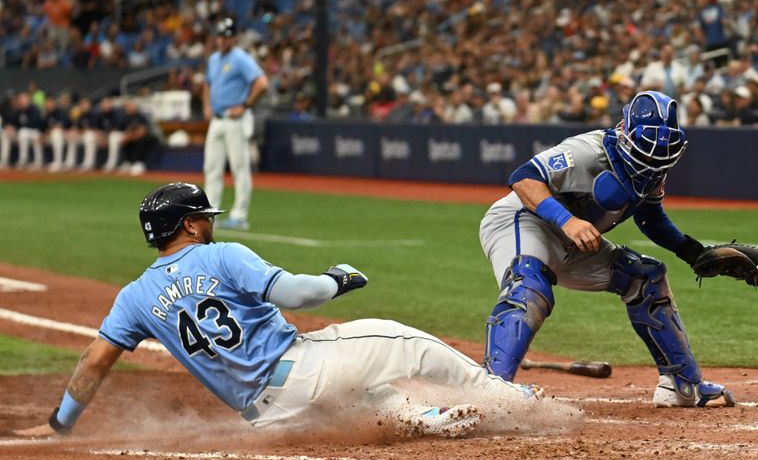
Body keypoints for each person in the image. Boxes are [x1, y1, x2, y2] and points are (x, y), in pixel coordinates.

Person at [15, 183, 542, 439]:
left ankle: (427, 420)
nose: (210, 223)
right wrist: (338, 279)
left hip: (265, 420)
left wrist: (61, 424)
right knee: (405, 343)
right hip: (302, 373)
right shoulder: (221, 254)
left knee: (369, 395)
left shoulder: (133, 295)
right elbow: (298, 295)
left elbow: (93, 361)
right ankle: (510, 396)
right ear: (190, 226)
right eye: (203, 216)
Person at [478, 90, 736, 408]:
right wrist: (568, 221)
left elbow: (651, 219)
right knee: (529, 284)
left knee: (646, 276)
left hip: (576, 239)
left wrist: (692, 252)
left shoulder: (653, 165)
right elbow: (523, 178)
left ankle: (683, 385)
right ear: (626, 133)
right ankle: (490, 391)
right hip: (523, 221)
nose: (651, 164)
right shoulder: (587, 151)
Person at [203, 17, 268, 231]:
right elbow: (207, 83)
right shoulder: (213, 59)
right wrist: (206, 106)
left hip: (235, 119)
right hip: (218, 119)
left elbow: (261, 82)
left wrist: (245, 105)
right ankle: (210, 213)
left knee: (240, 168)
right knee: (212, 168)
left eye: (227, 36)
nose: (223, 40)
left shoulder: (240, 58)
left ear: (234, 38)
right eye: (220, 36)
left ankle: (240, 215)